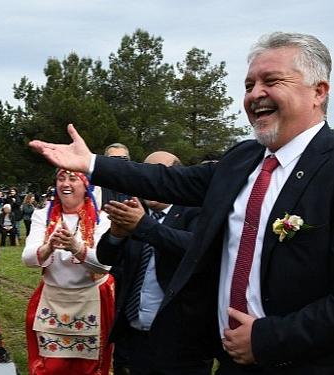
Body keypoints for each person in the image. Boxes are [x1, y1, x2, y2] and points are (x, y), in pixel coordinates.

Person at [30, 32, 334, 373]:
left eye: (271, 81)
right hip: (229, 361)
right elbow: (165, 180)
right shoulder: (243, 159)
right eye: (248, 85)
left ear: (318, 92)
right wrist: (91, 164)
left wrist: (270, 338)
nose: (255, 94)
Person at [96, 151, 209, 375]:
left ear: (177, 178)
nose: (151, 182)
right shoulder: (135, 211)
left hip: (180, 344)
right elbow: (106, 258)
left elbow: (196, 249)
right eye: (146, 176)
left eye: (159, 176)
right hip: (135, 338)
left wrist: (145, 226)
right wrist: (116, 235)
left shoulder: (196, 210)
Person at [22, 169, 115, 375]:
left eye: (73, 179)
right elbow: (28, 259)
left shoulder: (102, 218)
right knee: (51, 366)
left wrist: (76, 246)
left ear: (86, 186)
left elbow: (103, 264)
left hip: (91, 299)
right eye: (61, 178)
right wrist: (49, 247)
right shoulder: (43, 214)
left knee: (88, 366)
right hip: (54, 298)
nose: (66, 183)